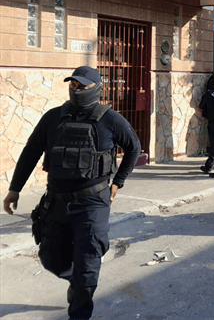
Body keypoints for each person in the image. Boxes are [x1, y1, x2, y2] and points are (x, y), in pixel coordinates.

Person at [3, 66, 141, 320]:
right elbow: (31, 151)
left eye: (82, 86)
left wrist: (118, 181)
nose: (76, 89)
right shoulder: (53, 118)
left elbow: (134, 147)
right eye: (73, 85)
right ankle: (75, 281)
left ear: (97, 88)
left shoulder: (111, 120)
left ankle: (80, 305)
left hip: (93, 202)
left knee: (88, 265)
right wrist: (15, 189)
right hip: (56, 201)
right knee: (50, 259)